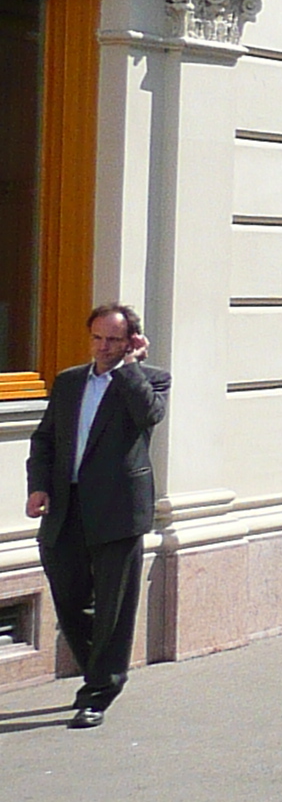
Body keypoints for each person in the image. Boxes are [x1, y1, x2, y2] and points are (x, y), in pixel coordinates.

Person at [24, 305, 166, 729]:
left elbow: (149, 416)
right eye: (98, 339)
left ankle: (99, 691)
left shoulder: (148, 379)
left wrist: (130, 368)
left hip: (118, 509)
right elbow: (45, 438)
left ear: (131, 342)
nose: (104, 347)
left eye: (114, 340)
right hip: (66, 507)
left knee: (113, 606)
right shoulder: (69, 382)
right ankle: (98, 671)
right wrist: (38, 485)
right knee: (68, 596)